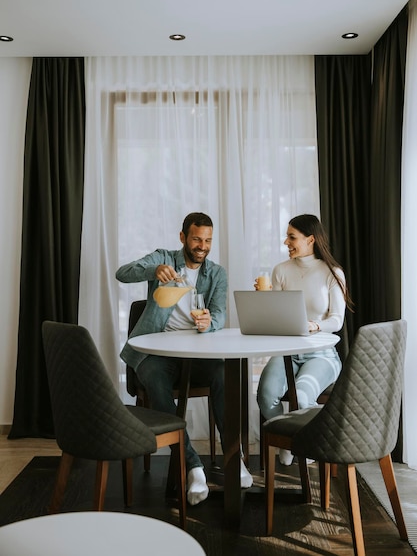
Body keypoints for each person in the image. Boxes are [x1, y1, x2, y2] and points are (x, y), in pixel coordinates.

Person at [117, 212, 253, 505]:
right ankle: (192, 465)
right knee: (153, 377)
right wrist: (154, 270)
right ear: (183, 238)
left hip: (198, 353)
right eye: (196, 239)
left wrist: (209, 323)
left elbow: (218, 314)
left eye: (207, 240)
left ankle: (233, 459)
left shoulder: (216, 273)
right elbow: (122, 273)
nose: (202, 246)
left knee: (222, 374)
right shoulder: (164, 258)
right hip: (159, 353)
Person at [256, 213, 353, 465]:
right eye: (286, 236)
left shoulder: (333, 272)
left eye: (292, 237)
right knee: (265, 396)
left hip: (322, 355)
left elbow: (337, 321)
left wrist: (315, 325)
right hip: (288, 351)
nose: (286, 242)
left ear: (310, 240)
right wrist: (264, 299)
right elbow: (274, 315)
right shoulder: (281, 271)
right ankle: (286, 440)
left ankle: (307, 445)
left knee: (301, 395)